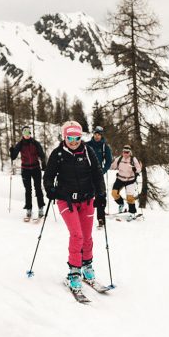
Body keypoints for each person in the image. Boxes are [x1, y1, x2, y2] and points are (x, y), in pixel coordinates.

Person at [43, 121, 107, 292]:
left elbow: (97, 174)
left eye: (77, 137)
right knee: (77, 235)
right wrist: (50, 189)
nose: (73, 141)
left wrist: (101, 195)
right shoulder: (58, 154)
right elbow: (48, 176)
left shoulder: (88, 151)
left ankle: (87, 267)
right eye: (70, 137)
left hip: (87, 200)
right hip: (66, 200)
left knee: (87, 236)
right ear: (65, 137)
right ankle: (74, 272)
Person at [9, 126, 46, 221]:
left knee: (38, 189)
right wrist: (12, 151)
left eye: (28, 133)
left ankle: (41, 208)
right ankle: (29, 209)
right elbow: (13, 157)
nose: (27, 135)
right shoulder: (20, 144)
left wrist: (44, 163)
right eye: (25, 133)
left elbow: (42, 154)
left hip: (36, 168)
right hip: (25, 169)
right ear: (22, 134)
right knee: (28, 190)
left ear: (30, 133)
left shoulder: (35, 143)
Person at [86, 125, 113, 227]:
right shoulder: (87, 145)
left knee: (101, 195)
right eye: (96, 134)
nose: (97, 136)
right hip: (87, 173)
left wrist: (103, 170)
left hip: (98, 174)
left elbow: (109, 161)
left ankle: (101, 218)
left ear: (102, 136)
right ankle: (83, 216)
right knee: (86, 195)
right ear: (93, 134)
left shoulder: (105, 146)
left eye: (99, 135)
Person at [110, 144, 142, 215]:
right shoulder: (119, 159)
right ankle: (121, 204)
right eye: (124, 152)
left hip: (130, 180)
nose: (125, 153)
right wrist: (106, 163)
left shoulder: (133, 159)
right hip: (120, 179)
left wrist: (135, 169)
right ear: (122, 152)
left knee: (130, 198)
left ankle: (132, 212)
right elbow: (112, 166)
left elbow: (139, 169)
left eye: (127, 152)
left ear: (130, 152)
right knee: (114, 193)